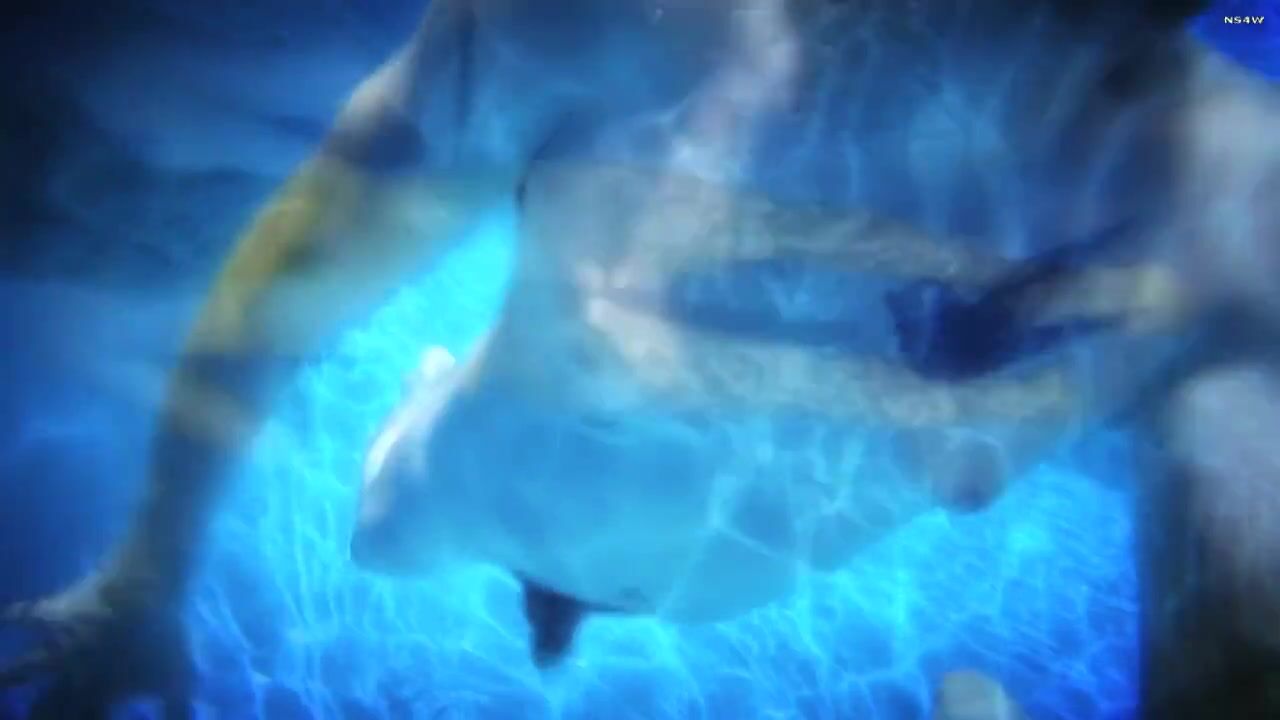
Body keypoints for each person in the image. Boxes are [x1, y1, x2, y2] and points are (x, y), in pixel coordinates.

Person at [4, 1, 1275, 718]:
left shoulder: (1227, 203)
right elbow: (295, 283)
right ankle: (432, 380)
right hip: (465, 490)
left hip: (703, 584)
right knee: (382, 536)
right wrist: (143, 582)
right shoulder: (607, 27)